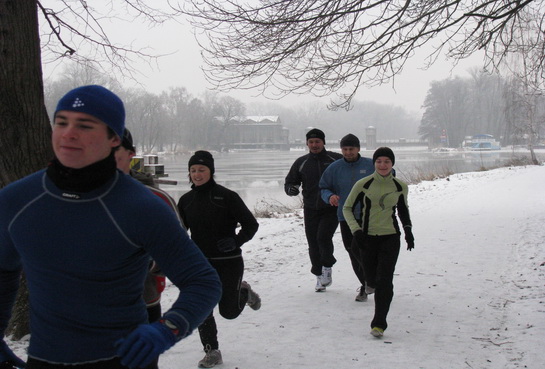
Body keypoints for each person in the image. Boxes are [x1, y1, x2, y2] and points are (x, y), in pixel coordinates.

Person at [0, 85, 222, 369]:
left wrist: (168, 328)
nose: (68, 133)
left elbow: (203, 281)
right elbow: (3, 270)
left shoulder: (141, 206)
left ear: (113, 138)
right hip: (44, 359)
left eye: (85, 125)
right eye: (61, 122)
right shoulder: (17, 200)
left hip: (123, 359)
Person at [177, 150, 261, 368]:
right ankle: (211, 352)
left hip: (229, 261)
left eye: (202, 170)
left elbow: (251, 225)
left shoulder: (227, 196)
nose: (197, 174)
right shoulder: (186, 201)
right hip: (200, 264)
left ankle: (244, 292)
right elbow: (178, 233)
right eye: (193, 170)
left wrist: (236, 241)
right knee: (203, 309)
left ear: (211, 171)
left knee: (229, 312)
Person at [342, 147, 414, 338]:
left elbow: (403, 210)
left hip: (390, 237)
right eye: (379, 161)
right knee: (372, 280)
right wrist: (356, 231)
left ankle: (379, 323)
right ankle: (369, 283)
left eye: (387, 162)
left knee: (385, 281)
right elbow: (347, 208)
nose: (383, 165)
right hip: (366, 239)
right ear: (374, 163)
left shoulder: (400, 186)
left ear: (392, 164)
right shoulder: (364, 184)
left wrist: (408, 231)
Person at [114, 128, 181, 324]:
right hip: (86, 313)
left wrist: (146, 263)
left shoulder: (156, 199)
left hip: (143, 303)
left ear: (130, 155)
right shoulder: (75, 199)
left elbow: (179, 256)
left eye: (114, 151)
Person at [284, 128, 342, 292]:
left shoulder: (335, 159)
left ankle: (327, 267)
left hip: (331, 207)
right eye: (311, 142)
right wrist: (290, 189)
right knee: (313, 243)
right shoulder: (301, 162)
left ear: (324, 142)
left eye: (317, 141)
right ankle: (318, 276)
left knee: (323, 237)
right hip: (310, 208)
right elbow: (290, 182)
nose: (314, 145)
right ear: (307, 143)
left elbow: (350, 170)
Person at [319, 134, 374, 302]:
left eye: (351, 149)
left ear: (358, 148)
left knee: (369, 251)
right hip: (345, 216)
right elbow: (323, 187)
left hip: (370, 216)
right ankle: (365, 284)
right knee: (352, 251)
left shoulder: (371, 164)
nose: (348, 152)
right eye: (345, 149)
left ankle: (373, 281)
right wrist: (329, 197)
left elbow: (389, 176)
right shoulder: (335, 168)